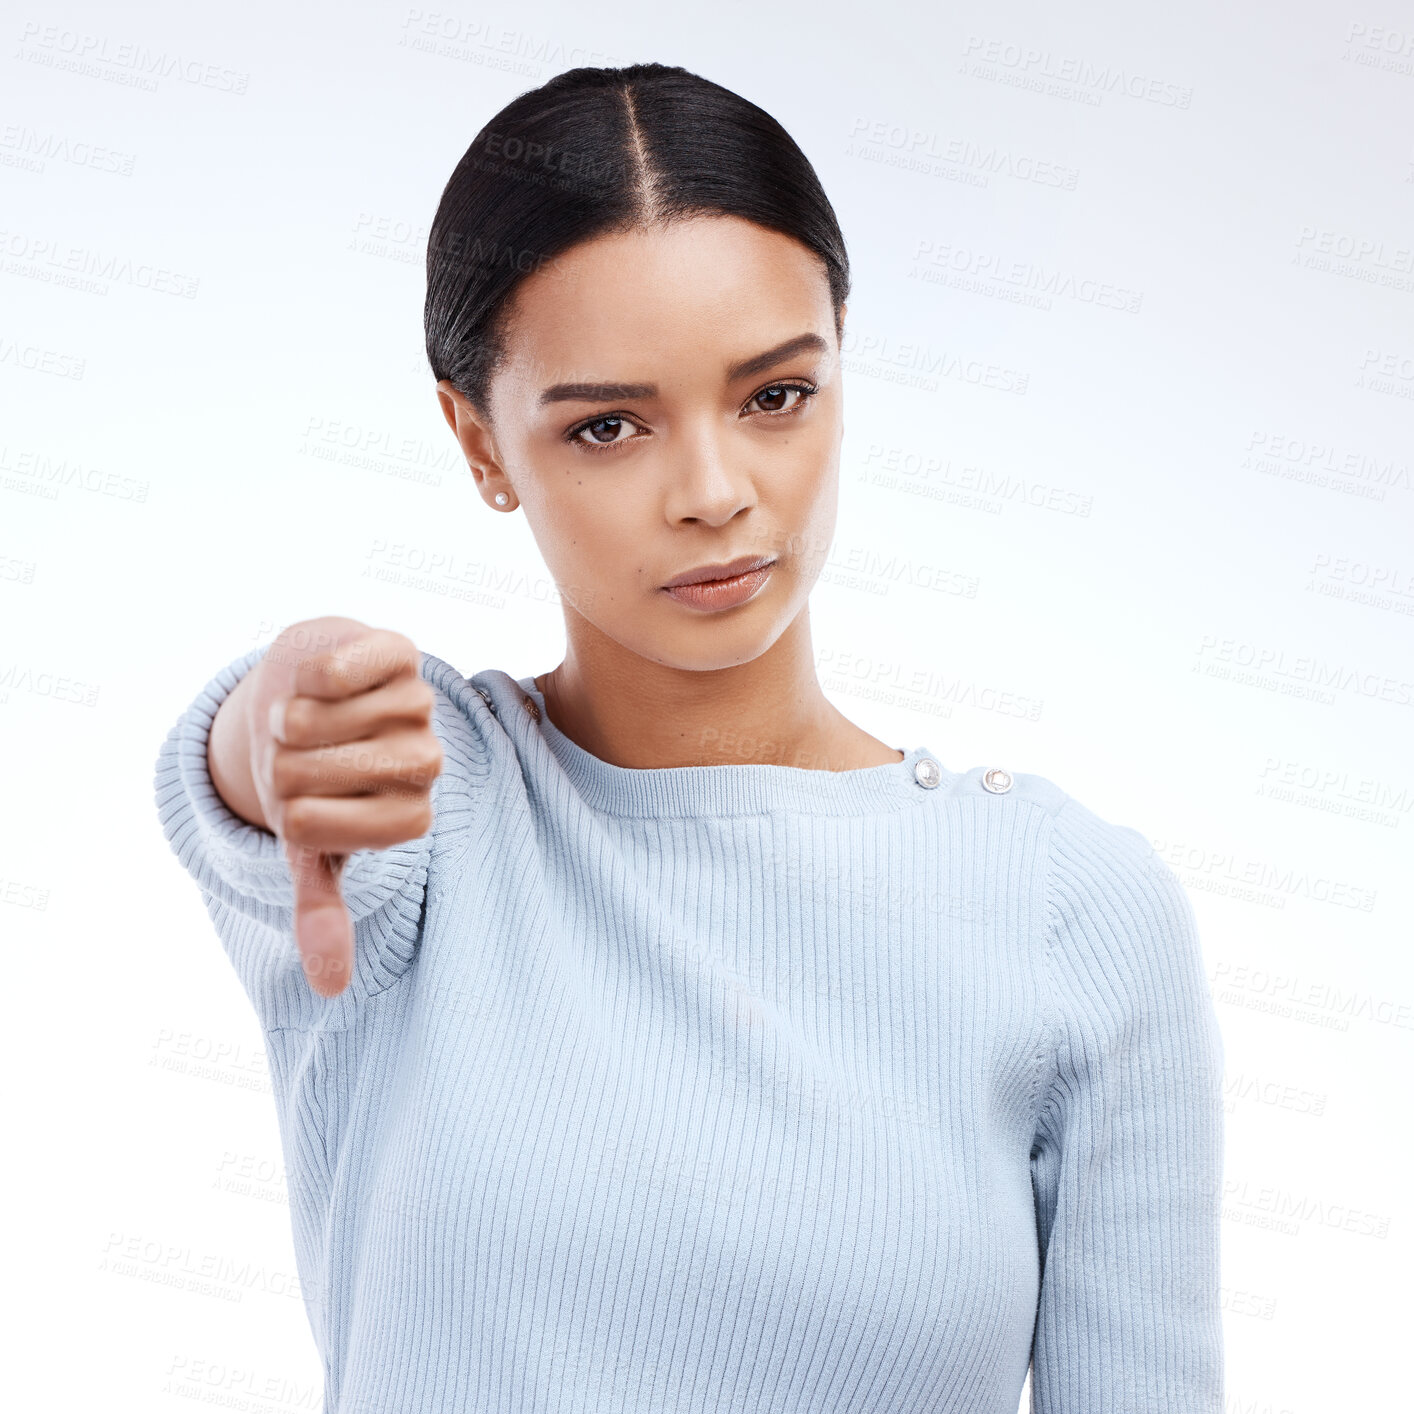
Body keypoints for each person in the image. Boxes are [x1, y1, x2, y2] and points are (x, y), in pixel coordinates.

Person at [153, 61, 1225, 1414]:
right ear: (477, 440)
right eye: (608, 425)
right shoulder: (438, 809)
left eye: (774, 395)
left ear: (842, 360)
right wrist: (277, 717)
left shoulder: (1071, 907)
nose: (715, 493)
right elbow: (274, 776)